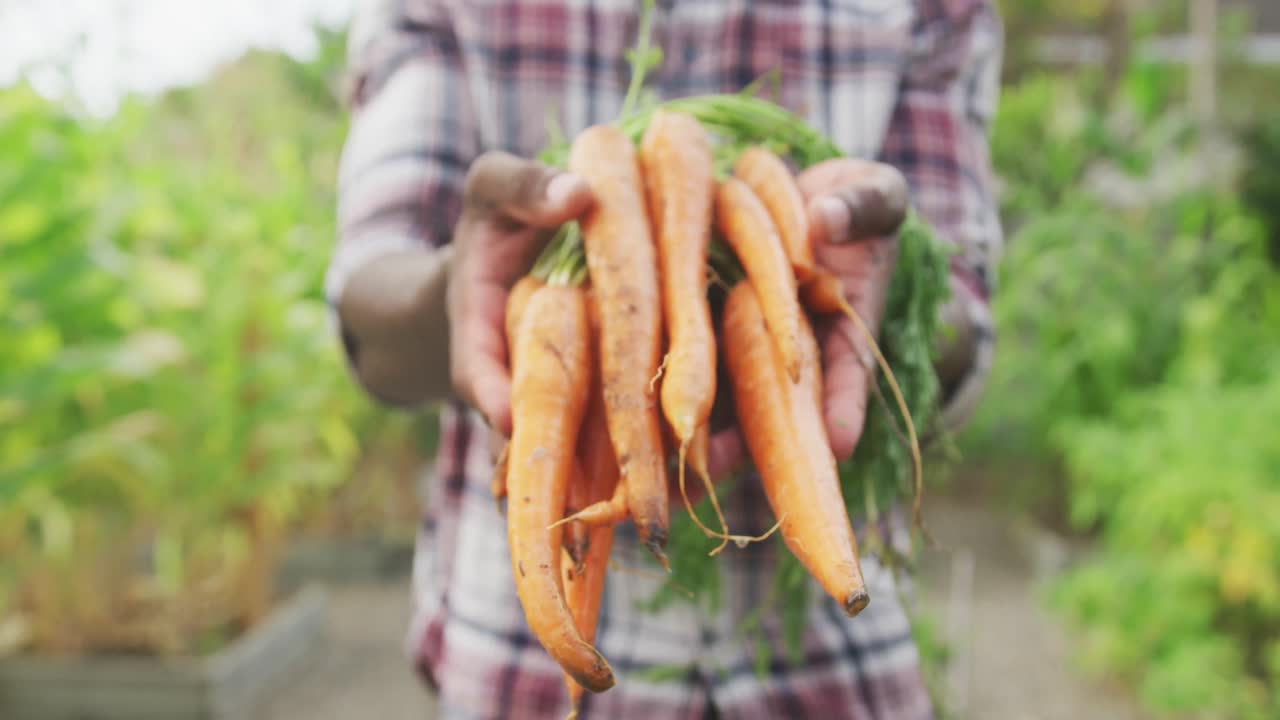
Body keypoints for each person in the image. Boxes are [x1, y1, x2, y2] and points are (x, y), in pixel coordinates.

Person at [327, 1, 1003, 717]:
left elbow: (964, 315)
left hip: (833, 671)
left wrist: (876, 307)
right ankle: (571, 629)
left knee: (725, 298)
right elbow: (368, 299)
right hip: (511, 669)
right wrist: (461, 291)